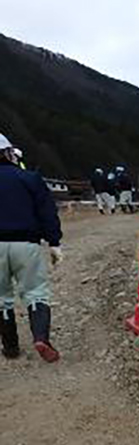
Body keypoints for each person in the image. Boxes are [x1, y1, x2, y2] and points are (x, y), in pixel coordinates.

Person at [0, 133, 63, 362]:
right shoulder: (29, 178)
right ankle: (40, 338)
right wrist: (54, 242)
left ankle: (10, 348)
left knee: (2, 299)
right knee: (35, 292)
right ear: (8, 153)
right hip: (26, 244)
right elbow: (47, 213)